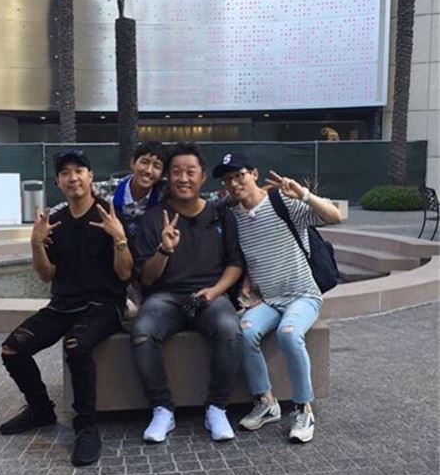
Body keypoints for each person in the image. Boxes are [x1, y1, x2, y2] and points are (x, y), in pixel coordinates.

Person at [0, 148, 132, 466]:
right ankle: (40, 410)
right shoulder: (55, 222)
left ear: (90, 176)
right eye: (65, 173)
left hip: (104, 305)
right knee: (12, 349)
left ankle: (87, 427)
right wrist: (36, 243)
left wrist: (119, 239)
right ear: (58, 181)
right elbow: (47, 275)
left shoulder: (109, 215)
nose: (73, 178)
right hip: (63, 305)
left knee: (76, 345)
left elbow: (125, 274)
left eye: (79, 171)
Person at [212, 152, 341, 443]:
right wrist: (247, 286)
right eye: (227, 179)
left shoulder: (284, 202)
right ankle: (266, 402)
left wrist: (304, 194)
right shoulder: (234, 216)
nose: (233, 183)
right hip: (268, 300)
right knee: (244, 332)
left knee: (289, 333)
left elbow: (334, 216)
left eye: (239, 175)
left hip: (303, 295)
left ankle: (303, 409)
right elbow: (247, 257)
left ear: (254, 174)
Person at [131, 142, 244, 443]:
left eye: (190, 172)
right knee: (143, 331)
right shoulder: (153, 218)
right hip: (165, 298)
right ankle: (162, 409)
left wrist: (215, 291)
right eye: (177, 172)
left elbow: (235, 264)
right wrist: (164, 250)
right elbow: (146, 277)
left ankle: (217, 407)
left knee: (230, 329)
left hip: (209, 296)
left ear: (202, 177)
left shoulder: (221, 215)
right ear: (168, 177)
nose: (183, 178)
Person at [112, 140, 168, 242]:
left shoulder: (166, 194)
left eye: (157, 166)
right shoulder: (108, 190)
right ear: (132, 163)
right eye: (144, 162)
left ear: (162, 174)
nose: (148, 171)